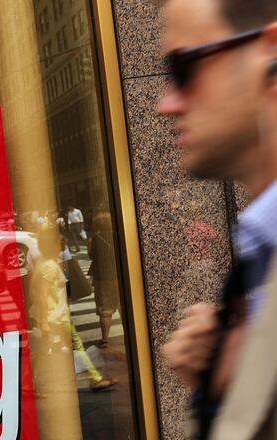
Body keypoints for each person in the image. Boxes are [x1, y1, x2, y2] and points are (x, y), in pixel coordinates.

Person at [157, 0, 277, 438]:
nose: (165, 104)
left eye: (183, 68)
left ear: (271, 52)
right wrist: (220, 393)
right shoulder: (259, 252)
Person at [29, 227, 117, 390]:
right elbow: (41, 294)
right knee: (71, 346)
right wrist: (45, 321)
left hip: (56, 315)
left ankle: (30, 381)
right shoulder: (49, 266)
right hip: (55, 316)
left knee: (43, 351)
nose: (64, 243)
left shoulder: (45, 263)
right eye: (60, 241)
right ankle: (95, 378)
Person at [88, 212, 120, 349]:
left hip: (102, 279)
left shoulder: (93, 239)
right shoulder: (119, 236)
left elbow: (91, 256)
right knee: (123, 308)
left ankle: (105, 339)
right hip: (119, 276)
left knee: (105, 309)